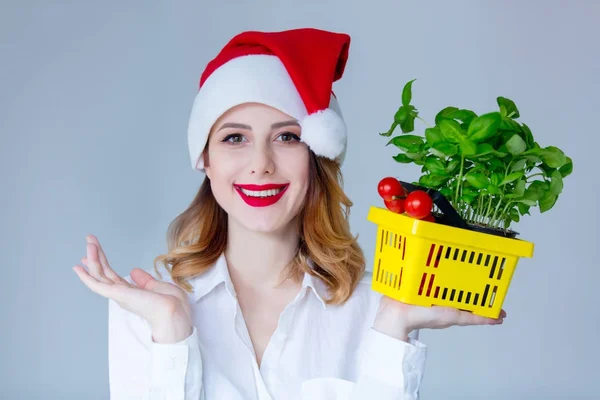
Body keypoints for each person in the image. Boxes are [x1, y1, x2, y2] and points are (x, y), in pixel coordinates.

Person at [73, 28, 506, 400]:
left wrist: (393, 328)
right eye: (234, 139)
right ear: (205, 159)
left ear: (316, 155)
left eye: (286, 137)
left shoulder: (374, 308)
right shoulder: (149, 312)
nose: (260, 163)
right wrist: (172, 336)